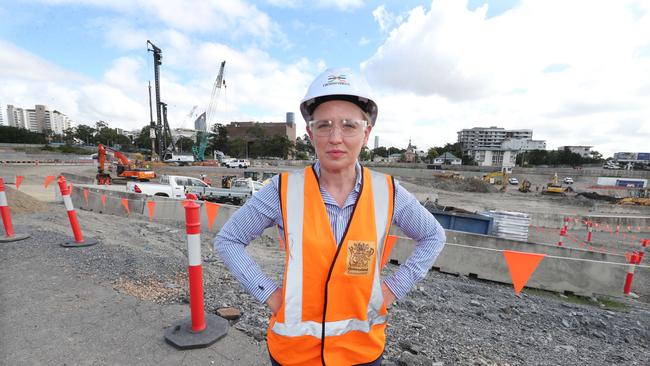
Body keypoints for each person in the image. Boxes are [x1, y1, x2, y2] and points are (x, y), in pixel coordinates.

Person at [215, 67, 446, 365]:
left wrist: (391, 289)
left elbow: (433, 236)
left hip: (361, 351)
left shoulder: (388, 192)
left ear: (366, 134)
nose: (336, 137)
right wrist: (271, 295)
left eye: (349, 125)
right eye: (324, 125)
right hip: (295, 353)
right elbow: (229, 240)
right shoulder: (282, 190)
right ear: (310, 133)